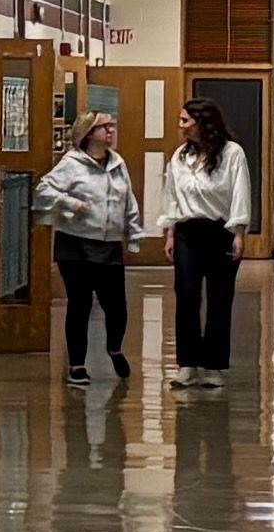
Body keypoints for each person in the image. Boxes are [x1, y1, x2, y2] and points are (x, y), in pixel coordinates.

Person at [152, 100, 250, 382]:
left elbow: (240, 193)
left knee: (220, 298)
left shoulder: (232, 154)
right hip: (187, 233)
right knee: (186, 295)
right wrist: (170, 231)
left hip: (220, 231)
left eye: (185, 121)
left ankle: (214, 365)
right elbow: (171, 195)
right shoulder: (180, 156)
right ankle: (187, 363)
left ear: (201, 122)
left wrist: (239, 233)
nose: (180, 126)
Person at [39, 114, 140, 379]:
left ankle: (114, 349)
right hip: (75, 245)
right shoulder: (71, 164)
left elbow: (128, 200)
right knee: (80, 303)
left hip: (109, 244)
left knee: (116, 305)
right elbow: (44, 191)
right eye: (104, 127)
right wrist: (72, 204)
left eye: (112, 126)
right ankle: (77, 365)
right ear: (87, 133)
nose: (111, 130)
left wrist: (134, 231)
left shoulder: (118, 164)